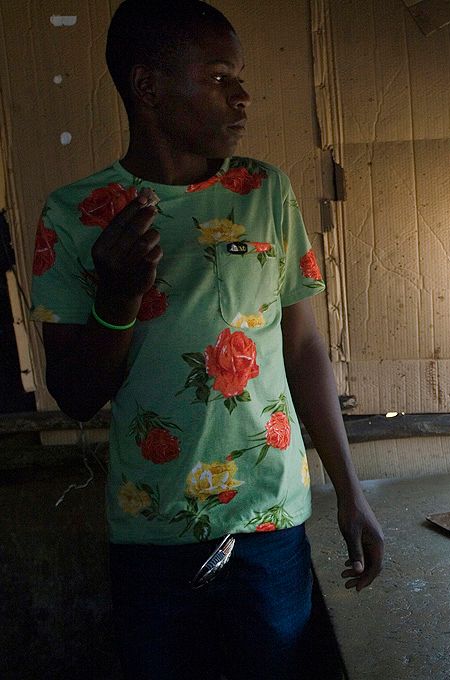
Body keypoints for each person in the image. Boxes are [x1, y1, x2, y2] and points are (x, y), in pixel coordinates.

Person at [29, 2, 383, 677]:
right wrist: (119, 296)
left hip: (270, 518)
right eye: (219, 78)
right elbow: (74, 395)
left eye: (240, 77)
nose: (243, 95)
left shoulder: (264, 191)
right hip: (152, 526)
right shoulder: (76, 215)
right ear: (149, 88)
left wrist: (349, 489)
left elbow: (303, 347)